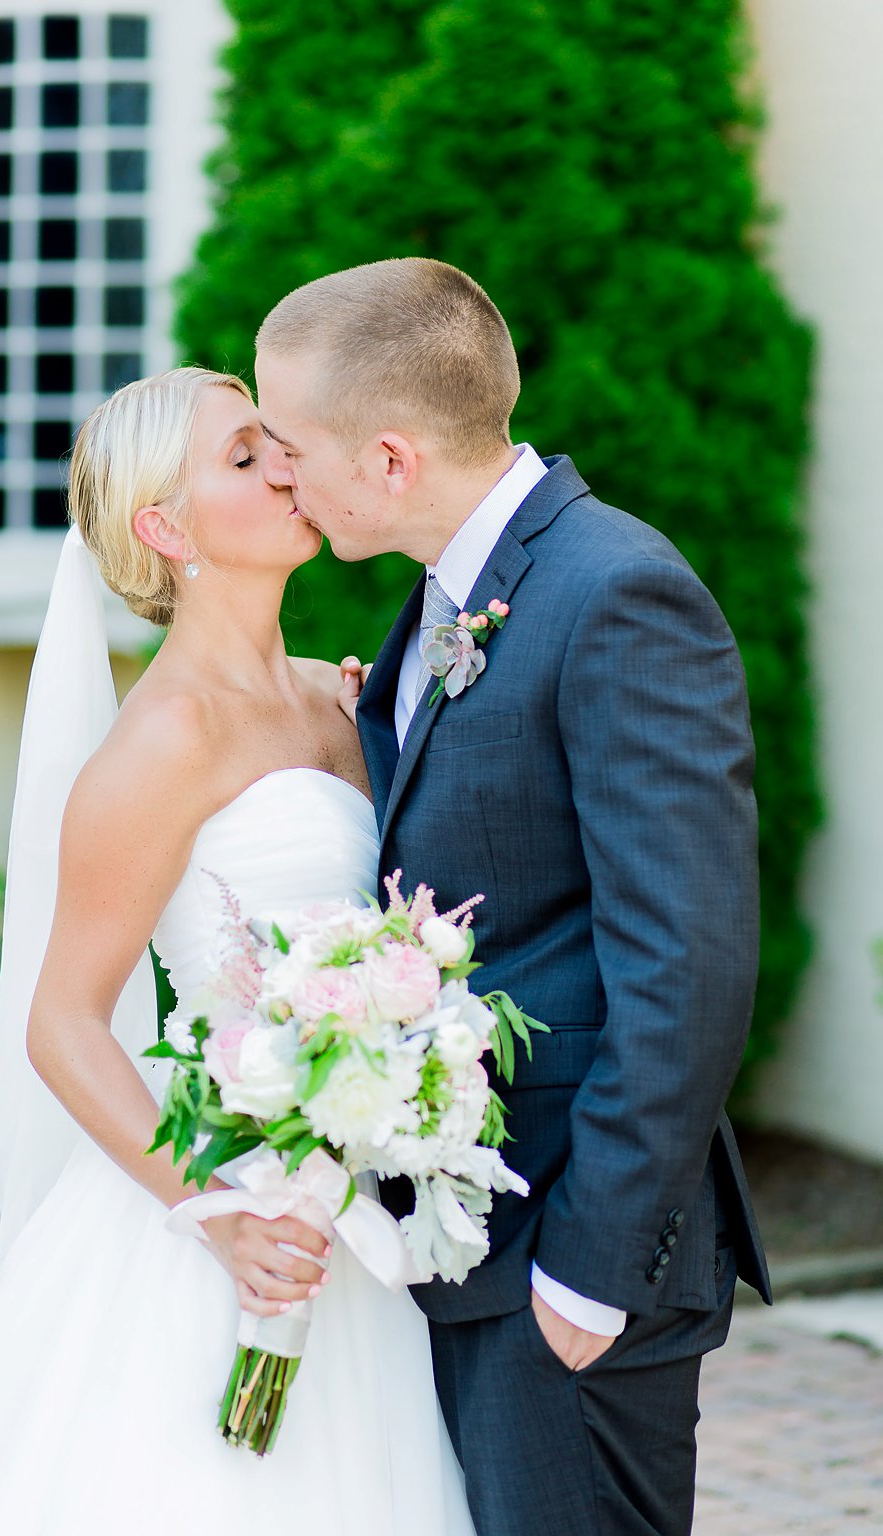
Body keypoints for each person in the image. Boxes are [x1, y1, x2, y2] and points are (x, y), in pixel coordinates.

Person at [0, 365, 473, 1534]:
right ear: (164, 526)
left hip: (357, 1199)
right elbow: (60, 1021)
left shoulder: (341, 697)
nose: (286, 466)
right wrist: (219, 1217)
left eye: (275, 443)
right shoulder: (156, 746)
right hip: (223, 1206)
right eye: (244, 458)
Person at [259, 256, 768, 1536]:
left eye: (289, 445)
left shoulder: (612, 594)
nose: (281, 475)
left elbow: (686, 961)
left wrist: (587, 1277)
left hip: (567, 1257)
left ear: (384, 459)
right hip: (464, 1241)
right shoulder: (440, 596)